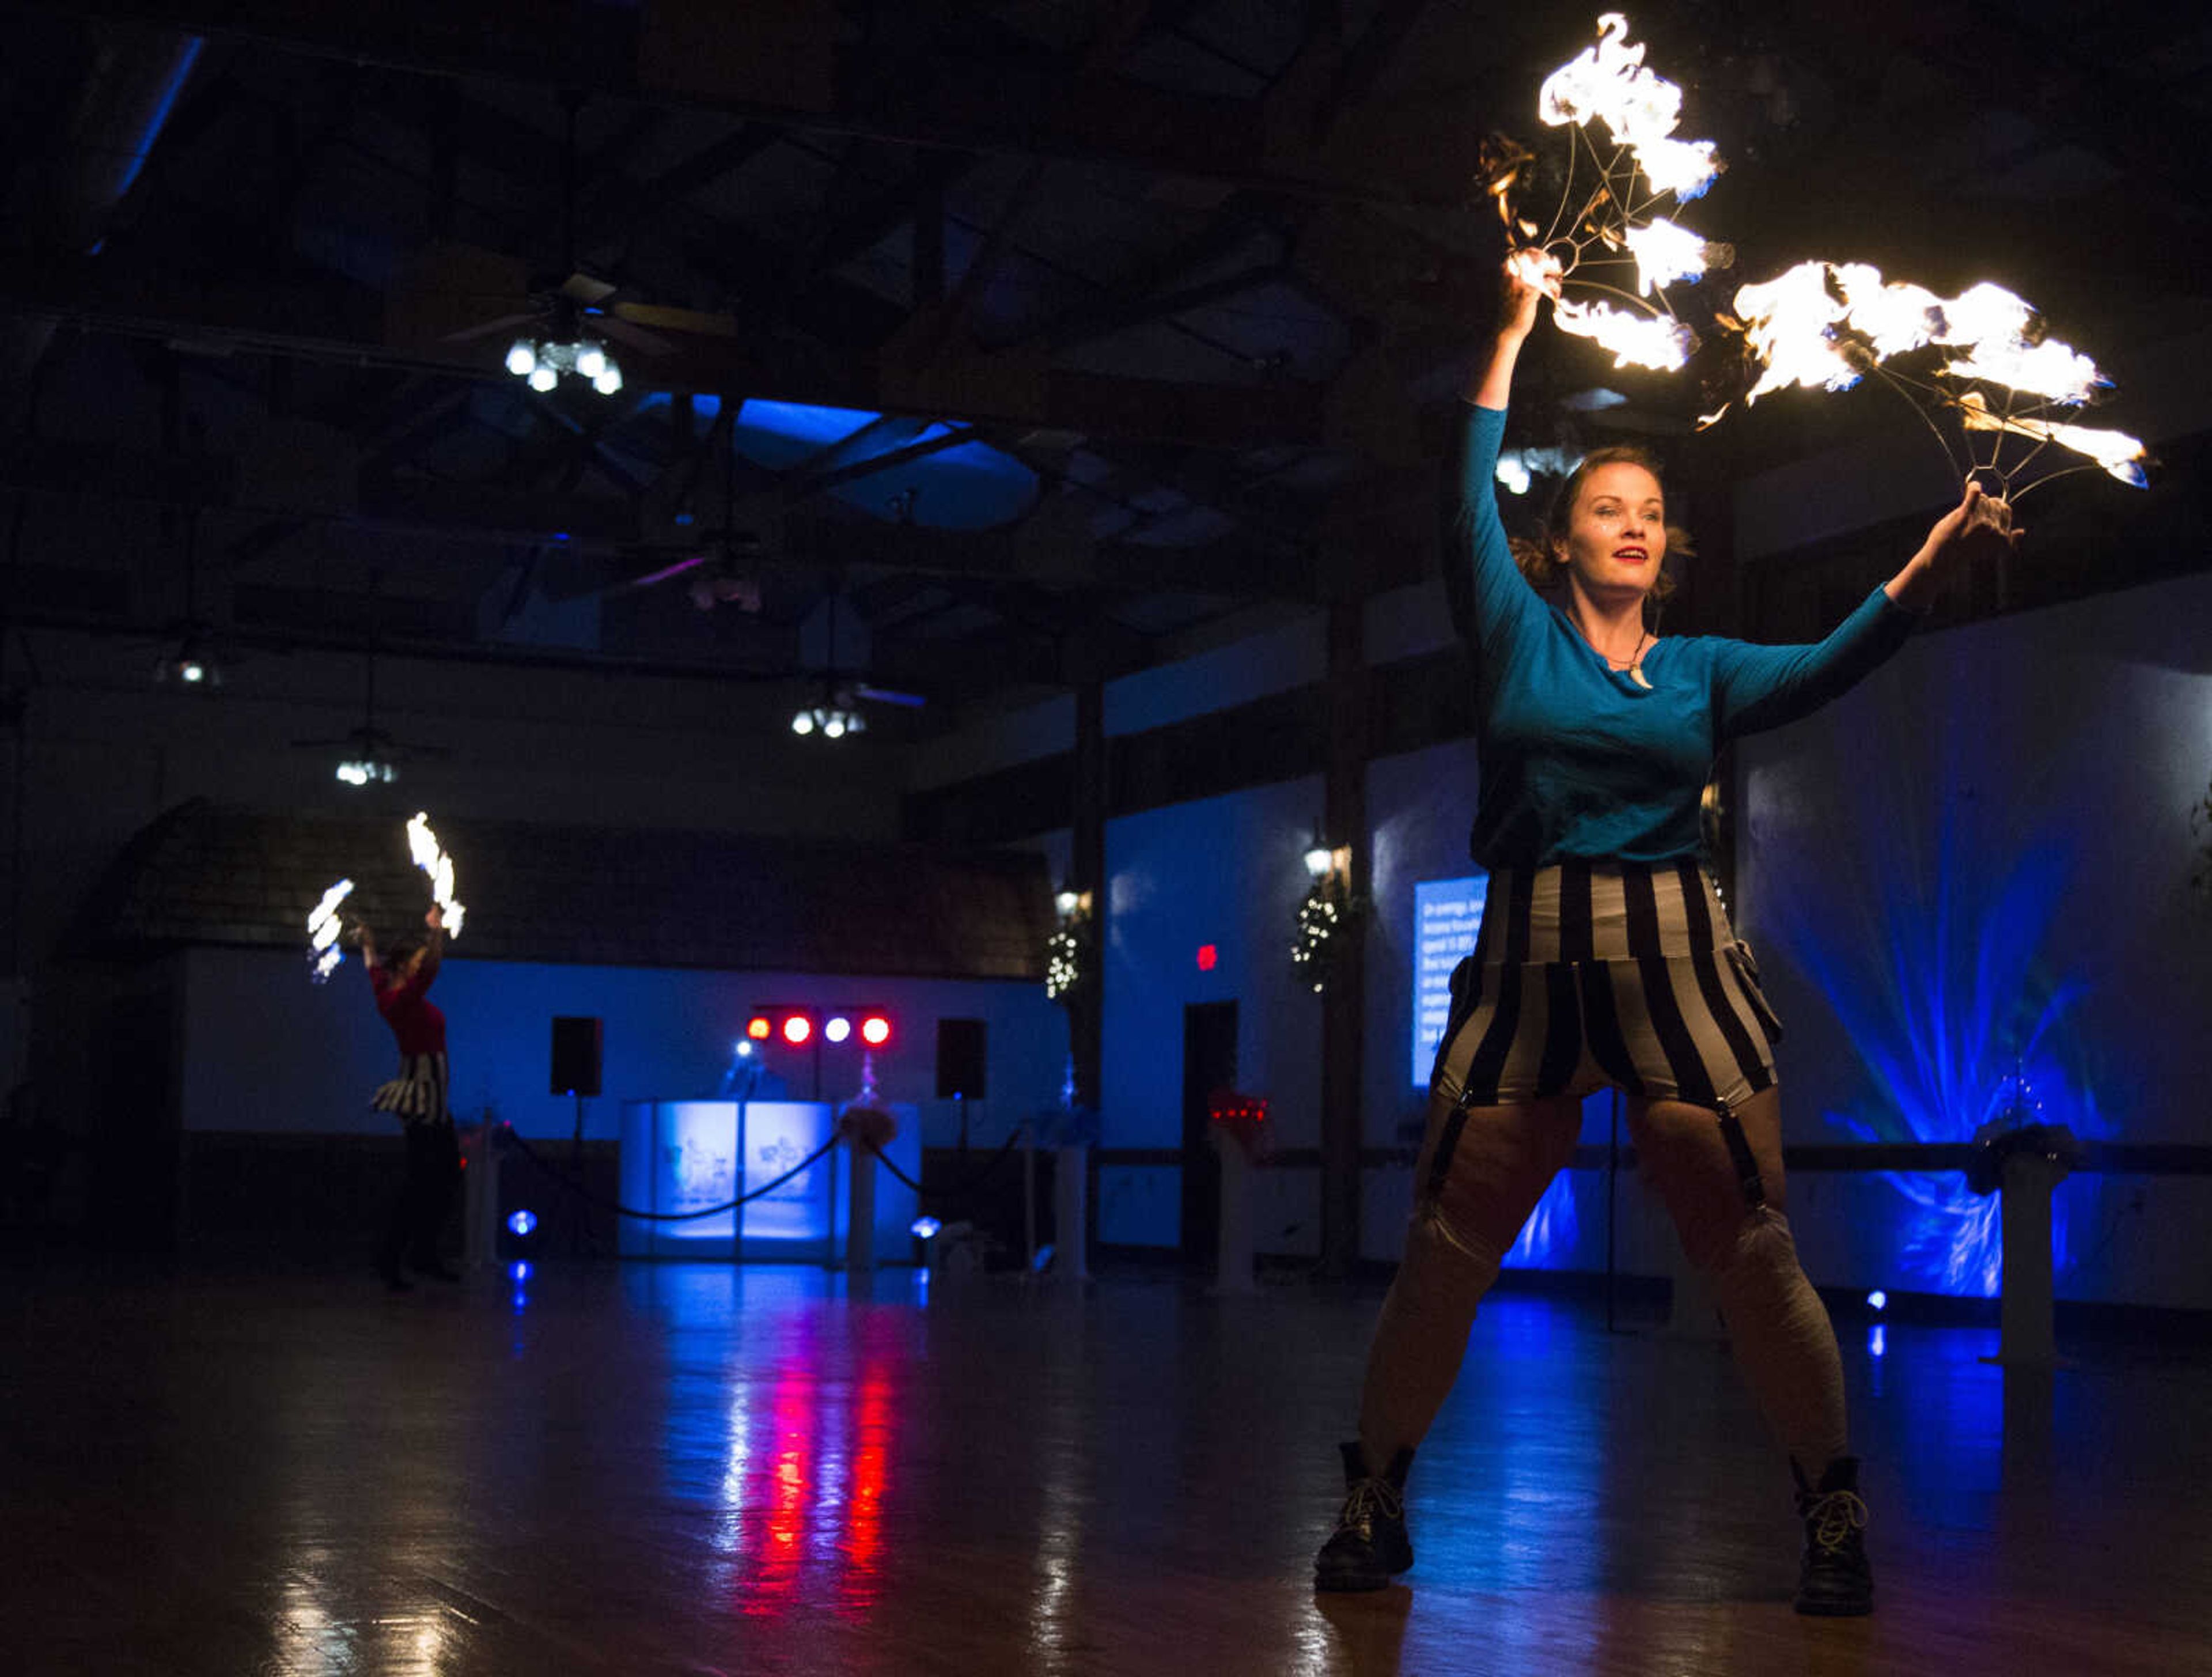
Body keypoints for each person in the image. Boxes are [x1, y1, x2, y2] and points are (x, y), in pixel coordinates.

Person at [1313, 248, 2019, 1615]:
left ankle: (1828, 1510)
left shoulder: (1699, 669)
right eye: (1603, 508)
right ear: (1560, 539)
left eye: (1647, 511)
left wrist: (1930, 558)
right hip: (1525, 963)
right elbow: (1462, 484)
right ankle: (1375, 1493)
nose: (1631, 524)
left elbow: (1829, 662)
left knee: (1752, 1242)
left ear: (1662, 545)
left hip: (1676, 960)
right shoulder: (1511, 634)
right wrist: (1513, 316)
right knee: (1442, 1245)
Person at [355, 906, 461, 1289]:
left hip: (432, 1097)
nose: (420, 967)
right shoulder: (401, 1000)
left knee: (443, 1175)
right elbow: (431, 969)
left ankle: (422, 1253)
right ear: (403, 966)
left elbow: (373, 971)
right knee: (422, 1181)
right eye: (414, 962)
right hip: (422, 1095)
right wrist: (435, 933)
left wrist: (368, 945)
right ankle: (393, 1257)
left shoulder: (388, 991)